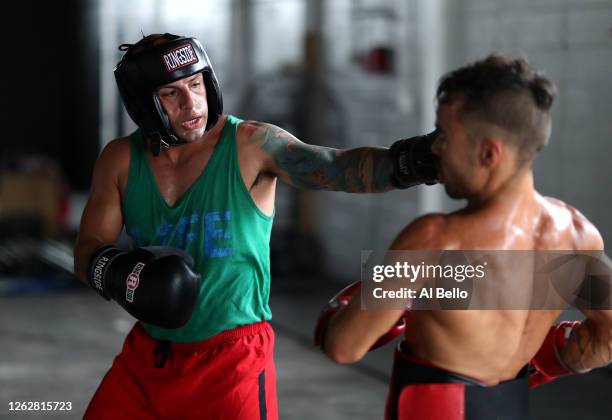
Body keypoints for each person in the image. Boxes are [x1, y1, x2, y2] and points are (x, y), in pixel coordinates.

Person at [73, 33, 438, 420]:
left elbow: (336, 167)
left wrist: (417, 160)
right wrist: (118, 274)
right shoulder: (120, 161)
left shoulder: (252, 144)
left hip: (232, 360)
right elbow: (87, 248)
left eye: (195, 84)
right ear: (143, 103)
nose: (192, 103)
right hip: (148, 359)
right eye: (171, 93)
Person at [315, 54, 612, 420]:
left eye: (445, 135)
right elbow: (608, 337)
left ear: (489, 152)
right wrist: (537, 359)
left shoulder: (435, 240)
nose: (434, 147)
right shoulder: (578, 235)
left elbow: (342, 347)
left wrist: (349, 307)